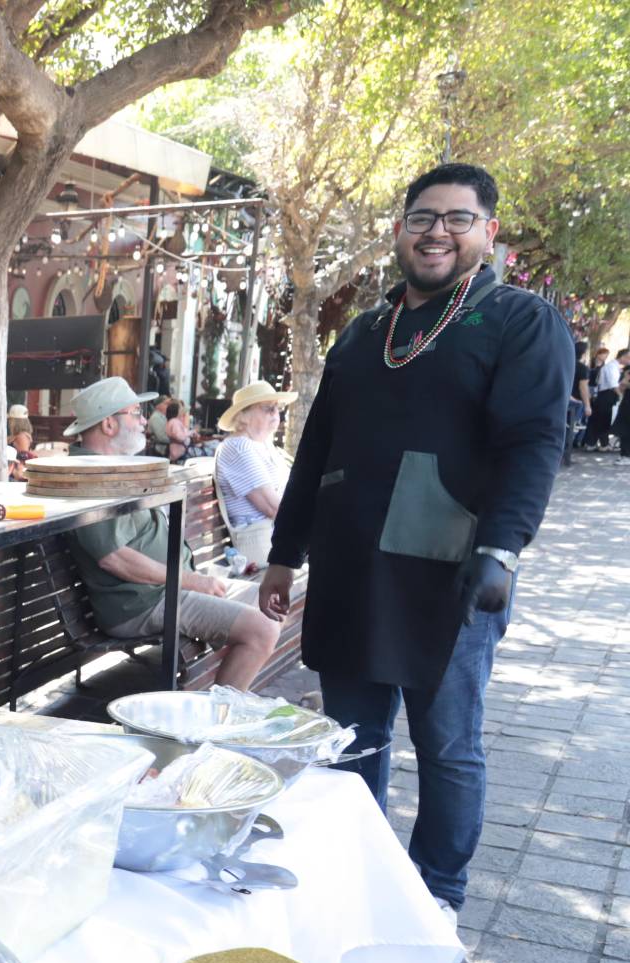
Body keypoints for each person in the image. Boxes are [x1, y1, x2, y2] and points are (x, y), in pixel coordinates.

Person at [258, 162, 573, 920]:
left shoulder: (520, 322)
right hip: (351, 570)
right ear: (401, 230)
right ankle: (359, 880)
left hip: (453, 573)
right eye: (422, 217)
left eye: (457, 218)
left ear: (487, 232)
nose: (437, 231)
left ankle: (436, 897)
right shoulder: (367, 331)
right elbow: (318, 447)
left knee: (446, 746)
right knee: (353, 741)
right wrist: (284, 549)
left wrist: (503, 549)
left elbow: (534, 442)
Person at [61, 375, 281, 688]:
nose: (145, 422)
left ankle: (220, 707)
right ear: (108, 425)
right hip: (142, 602)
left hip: (164, 590)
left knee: (269, 603)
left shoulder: (111, 468)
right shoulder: (91, 478)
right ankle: (213, 725)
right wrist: (191, 580)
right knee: (263, 631)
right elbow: (115, 560)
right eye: (135, 413)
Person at [213, 380, 298, 565]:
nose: (276, 414)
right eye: (268, 408)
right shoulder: (238, 447)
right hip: (263, 547)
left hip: (276, 538)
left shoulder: (263, 444)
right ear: (244, 415)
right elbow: (272, 507)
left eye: (277, 408)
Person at [585, 346, 619, 451]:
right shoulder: (596, 367)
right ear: (598, 354)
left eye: (607, 354)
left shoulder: (605, 366)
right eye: (604, 354)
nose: (605, 356)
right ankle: (597, 443)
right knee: (600, 419)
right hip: (597, 394)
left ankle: (595, 443)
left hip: (598, 394)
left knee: (598, 420)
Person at [7, 405, 37, 480]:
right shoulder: (19, 435)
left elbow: (23, 457)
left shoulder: (22, 437)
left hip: (15, 473)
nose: (9, 422)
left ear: (15, 421)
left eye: (10, 420)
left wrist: (13, 471)